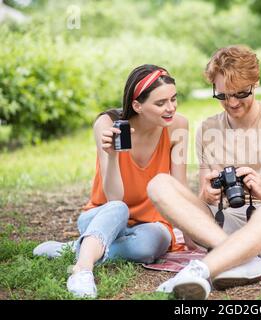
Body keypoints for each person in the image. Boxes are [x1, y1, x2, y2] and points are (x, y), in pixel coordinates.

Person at [147, 45, 261, 300]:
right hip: (225, 225)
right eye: (222, 95)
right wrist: (208, 194)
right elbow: (203, 202)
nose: (232, 103)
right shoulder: (208, 129)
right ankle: (239, 258)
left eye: (240, 93)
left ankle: (205, 267)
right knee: (159, 184)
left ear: (256, 83)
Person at [33, 64, 189, 298]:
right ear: (137, 105)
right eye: (160, 103)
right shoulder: (106, 124)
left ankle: (77, 248)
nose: (171, 108)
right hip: (103, 214)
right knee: (119, 209)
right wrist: (113, 156)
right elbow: (114, 198)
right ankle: (82, 270)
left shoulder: (179, 126)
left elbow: (179, 191)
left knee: (150, 246)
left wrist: (190, 231)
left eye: (173, 99)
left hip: (150, 224)